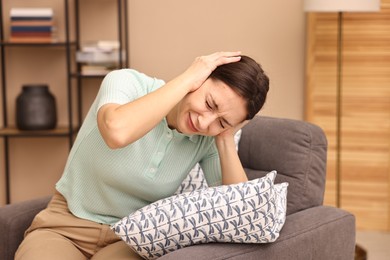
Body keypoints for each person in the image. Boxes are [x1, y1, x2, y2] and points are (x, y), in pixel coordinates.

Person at [15, 52, 269, 260]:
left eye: (222, 121)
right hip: (65, 225)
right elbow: (116, 131)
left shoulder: (209, 137)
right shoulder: (127, 82)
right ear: (199, 80)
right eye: (210, 104)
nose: (205, 122)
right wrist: (187, 78)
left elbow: (241, 209)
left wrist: (224, 137)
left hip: (130, 240)